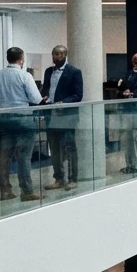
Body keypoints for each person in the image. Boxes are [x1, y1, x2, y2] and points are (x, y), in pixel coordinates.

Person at [0, 46, 46, 204]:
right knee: (24, 157)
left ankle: (5, 191)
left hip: (4, 120)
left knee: (4, 158)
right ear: (21, 60)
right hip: (24, 119)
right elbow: (35, 98)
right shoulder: (25, 76)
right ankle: (27, 191)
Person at [42, 45, 84, 191]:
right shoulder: (48, 71)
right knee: (54, 148)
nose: (55, 57)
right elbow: (46, 88)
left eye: (59, 54)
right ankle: (58, 178)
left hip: (66, 116)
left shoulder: (74, 72)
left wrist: (64, 102)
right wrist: (44, 96)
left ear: (65, 55)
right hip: (51, 114)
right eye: (54, 54)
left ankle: (72, 178)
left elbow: (78, 95)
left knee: (69, 147)